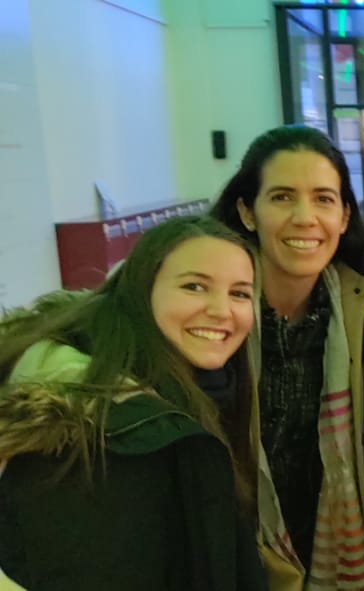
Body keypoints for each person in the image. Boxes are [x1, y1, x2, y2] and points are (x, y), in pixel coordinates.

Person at [0, 216, 266, 591]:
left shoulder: (199, 386)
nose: (222, 310)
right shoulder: (105, 436)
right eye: (194, 286)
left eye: (239, 293)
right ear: (142, 290)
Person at [211, 125, 364, 590]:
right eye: (282, 197)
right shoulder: (210, 314)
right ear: (247, 212)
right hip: (222, 549)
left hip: (323, 547)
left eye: (323, 199)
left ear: (345, 216)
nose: (304, 217)